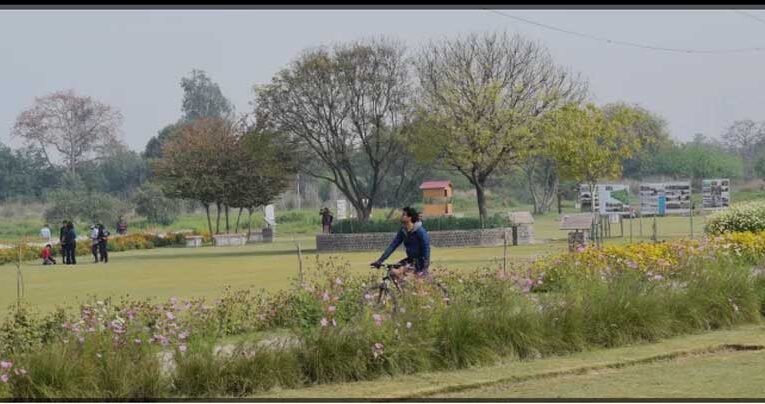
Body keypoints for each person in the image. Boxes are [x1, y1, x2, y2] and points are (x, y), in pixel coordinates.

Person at [371, 206, 431, 277]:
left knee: (403, 275)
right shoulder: (403, 231)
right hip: (410, 260)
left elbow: (426, 248)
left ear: (410, 218)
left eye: (404, 215)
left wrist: (424, 267)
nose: (401, 216)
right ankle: (403, 287)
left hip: (420, 262)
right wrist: (380, 260)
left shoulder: (420, 231)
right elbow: (392, 246)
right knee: (393, 272)